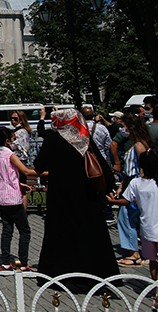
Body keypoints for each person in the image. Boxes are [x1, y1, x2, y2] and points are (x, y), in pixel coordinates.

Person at [33, 109, 118, 292]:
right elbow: (102, 168)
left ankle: (60, 274)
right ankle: (97, 275)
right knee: (90, 235)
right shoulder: (83, 139)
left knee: (62, 235)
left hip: (61, 197)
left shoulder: (53, 139)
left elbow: (39, 164)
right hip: (86, 196)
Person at [107, 150, 158, 285]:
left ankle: (155, 288)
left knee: (153, 261)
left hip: (147, 228)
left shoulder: (137, 183)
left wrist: (112, 202)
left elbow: (126, 201)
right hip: (153, 227)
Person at [0, 127, 39, 271]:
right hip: (13, 198)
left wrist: (19, 184)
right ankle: (23, 263)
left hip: (1, 196)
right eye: (13, 139)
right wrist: (43, 172)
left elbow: (4, 177)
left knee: (7, 229)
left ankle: (5, 262)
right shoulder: (10, 155)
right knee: (24, 230)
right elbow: (25, 170)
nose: (14, 142)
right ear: (7, 141)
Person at [111, 113, 154, 266]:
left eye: (123, 126)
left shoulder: (139, 145)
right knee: (129, 217)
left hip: (137, 184)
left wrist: (137, 189)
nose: (121, 129)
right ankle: (136, 251)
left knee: (126, 217)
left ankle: (134, 253)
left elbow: (142, 167)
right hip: (130, 182)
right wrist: (122, 185)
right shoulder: (134, 144)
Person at [9, 110, 32, 209]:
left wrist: (10, 142)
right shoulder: (24, 131)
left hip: (19, 161)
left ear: (21, 120)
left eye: (15, 119)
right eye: (12, 119)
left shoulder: (20, 132)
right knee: (21, 187)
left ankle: (22, 211)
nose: (13, 121)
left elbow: (14, 146)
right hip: (22, 161)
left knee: (20, 187)